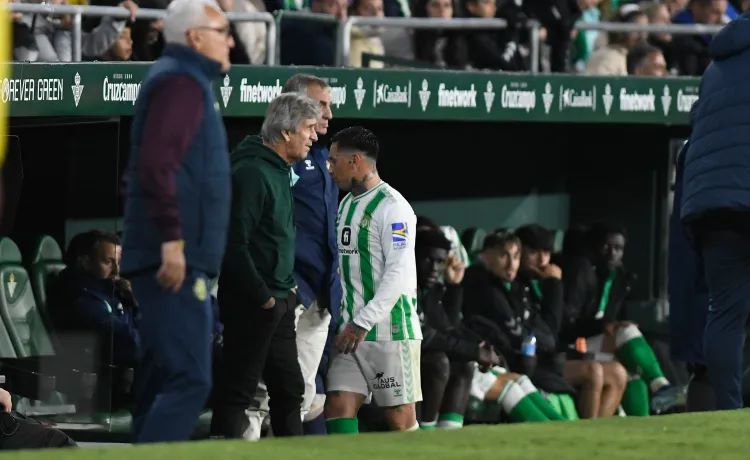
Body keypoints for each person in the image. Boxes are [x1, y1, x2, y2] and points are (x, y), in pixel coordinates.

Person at [120, 0, 234, 443]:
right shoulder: (181, 82)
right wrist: (172, 240)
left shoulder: (184, 81)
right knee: (191, 379)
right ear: (195, 37)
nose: (231, 39)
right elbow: (155, 165)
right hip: (175, 258)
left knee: (158, 381)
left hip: (178, 255)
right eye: (222, 29)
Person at [210, 93, 320, 439]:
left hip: (280, 300)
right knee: (238, 392)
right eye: (309, 128)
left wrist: (283, 294)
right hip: (254, 302)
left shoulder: (279, 169)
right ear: (287, 132)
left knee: (289, 390)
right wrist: (263, 297)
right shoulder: (253, 173)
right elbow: (233, 243)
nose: (314, 136)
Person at [242, 74, 340, 439]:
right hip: (287, 289)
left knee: (300, 394)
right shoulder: (274, 160)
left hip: (320, 292)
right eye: (321, 105)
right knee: (262, 394)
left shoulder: (319, 156)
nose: (329, 114)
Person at [324, 126, 422, 434]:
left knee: (399, 420)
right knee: (338, 404)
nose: (329, 168)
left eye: (334, 160)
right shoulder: (346, 204)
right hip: (350, 333)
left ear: (354, 161)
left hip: (388, 333)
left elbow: (399, 272)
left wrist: (362, 321)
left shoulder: (394, 208)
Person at [679, 12, 750, 410]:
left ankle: (728, 411)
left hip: (712, 201)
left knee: (725, 312)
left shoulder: (717, 64)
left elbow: (696, 123)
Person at [561, 223, 676, 416]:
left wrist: (611, 329)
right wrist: (605, 326)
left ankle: (640, 429)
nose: (612, 253)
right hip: (574, 347)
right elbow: (568, 323)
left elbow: (618, 321)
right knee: (626, 334)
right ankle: (660, 387)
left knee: (634, 370)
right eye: (606, 247)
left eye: (618, 248)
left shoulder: (622, 279)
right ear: (595, 247)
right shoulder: (582, 273)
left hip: (600, 346)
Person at [515, 224, 626, 418]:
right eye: (533, 252)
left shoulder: (542, 281)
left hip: (554, 356)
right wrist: (554, 285)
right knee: (593, 371)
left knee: (618, 373)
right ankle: (586, 435)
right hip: (533, 362)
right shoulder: (520, 285)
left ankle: (599, 434)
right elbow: (553, 329)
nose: (542, 260)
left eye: (547, 252)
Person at [416, 228, 499, 430]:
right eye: (429, 260)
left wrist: (454, 286)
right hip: (393, 358)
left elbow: (447, 328)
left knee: (464, 364)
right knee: (439, 362)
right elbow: (423, 335)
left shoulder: (433, 290)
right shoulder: (405, 285)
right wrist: (473, 350)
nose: (435, 268)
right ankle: (424, 435)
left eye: (440, 262)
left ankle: (449, 435)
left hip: (417, 357)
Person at [672, 0, 727, 75]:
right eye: (715, 12)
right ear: (696, 8)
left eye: (723, 13)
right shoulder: (680, 36)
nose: (721, 19)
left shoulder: (719, 36)